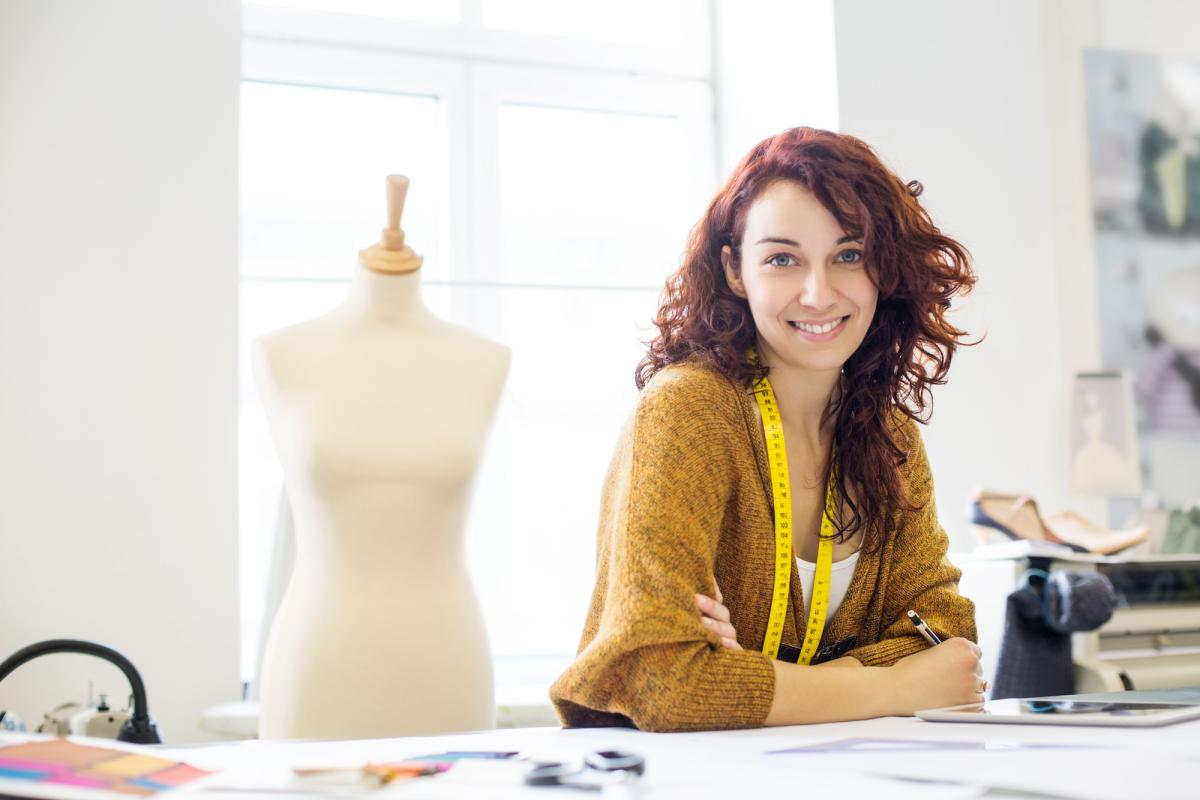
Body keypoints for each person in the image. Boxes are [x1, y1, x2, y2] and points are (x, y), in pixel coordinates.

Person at [549, 127, 983, 732]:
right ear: (735, 270)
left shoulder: (889, 431)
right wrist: (896, 686)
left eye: (848, 255)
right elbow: (660, 680)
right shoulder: (688, 410)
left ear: (883, 268)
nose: (818, 293)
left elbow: (947, 638)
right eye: (782, 259)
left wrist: (740, 679)